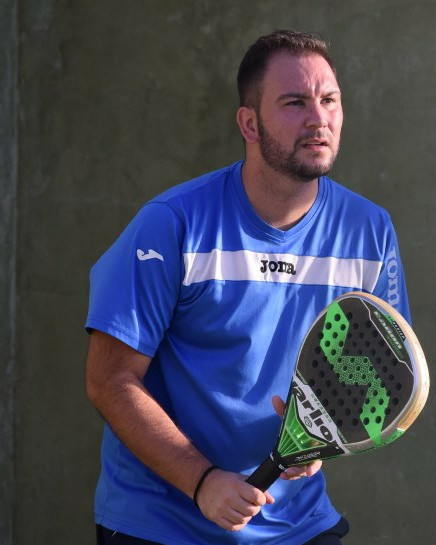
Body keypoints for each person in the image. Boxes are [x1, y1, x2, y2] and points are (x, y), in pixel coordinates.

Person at [85, 30, 411, 545]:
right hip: (161, 523)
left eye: (329, 100)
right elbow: (109, 379)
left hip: (297, 524)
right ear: (249, 124)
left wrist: (322, 441)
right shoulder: (171, 224)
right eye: (294, 103)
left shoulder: (369, 231)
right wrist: (201, 481)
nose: (319, 118)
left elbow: (379, 369)